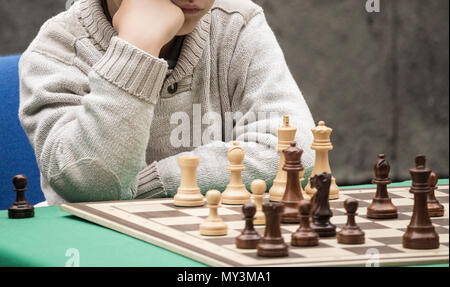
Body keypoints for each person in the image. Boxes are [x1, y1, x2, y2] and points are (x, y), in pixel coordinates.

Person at [18, 0, 315, 206]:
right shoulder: (56, 51)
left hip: (212, 242)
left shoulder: (236, 22)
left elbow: (296, 154)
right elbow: (96, 185)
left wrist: (152, 185)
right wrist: (137, 47)